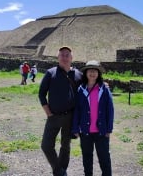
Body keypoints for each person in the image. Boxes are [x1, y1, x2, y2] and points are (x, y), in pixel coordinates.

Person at [39, 46, 82, 176]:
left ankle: (62, 171)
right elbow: (41, 94)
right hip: (53, 116)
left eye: (67, 54)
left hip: (70, 116)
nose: (64, 57)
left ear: (71, 57)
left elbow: (89, 88)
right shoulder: (50, 73)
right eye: (62, 55)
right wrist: (48, 113)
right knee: (46, 145)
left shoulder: (78, 74)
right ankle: (59, 171)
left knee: (65, 146)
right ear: (58, 58)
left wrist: (102, 85)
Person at [72, 60, 114, 176]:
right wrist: (75, 128)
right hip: (85, 131)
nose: (92, 73)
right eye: (90, 70)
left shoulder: (104, 89)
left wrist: (109, 129)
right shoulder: (81, 90)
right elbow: (77, 110)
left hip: (101, 131)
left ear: (98, 73)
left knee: (104, 158)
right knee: (87, 158)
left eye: (95, 71)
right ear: (85, 73)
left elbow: (110, 110)